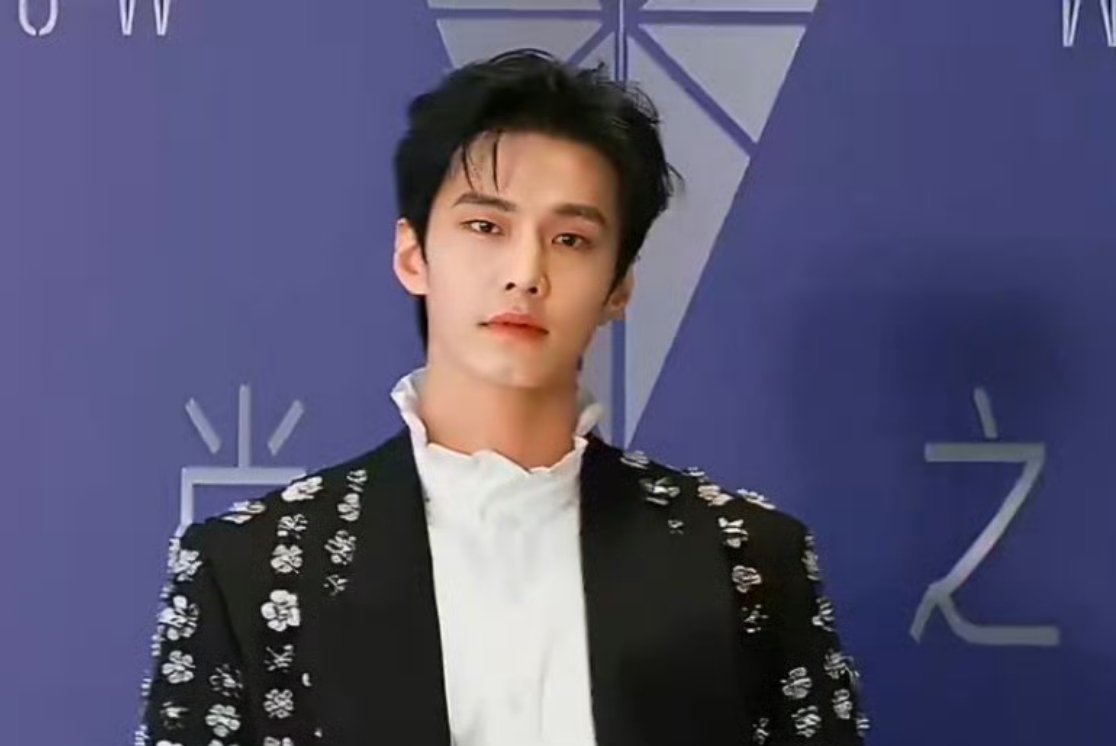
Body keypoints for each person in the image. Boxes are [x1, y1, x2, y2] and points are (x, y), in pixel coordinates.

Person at [136, 49, 869, 746]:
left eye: (571, 239)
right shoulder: (252, 568)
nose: (525, 272)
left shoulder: (744, 560)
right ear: (413, 254)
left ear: (620, 287)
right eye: (485, 226)